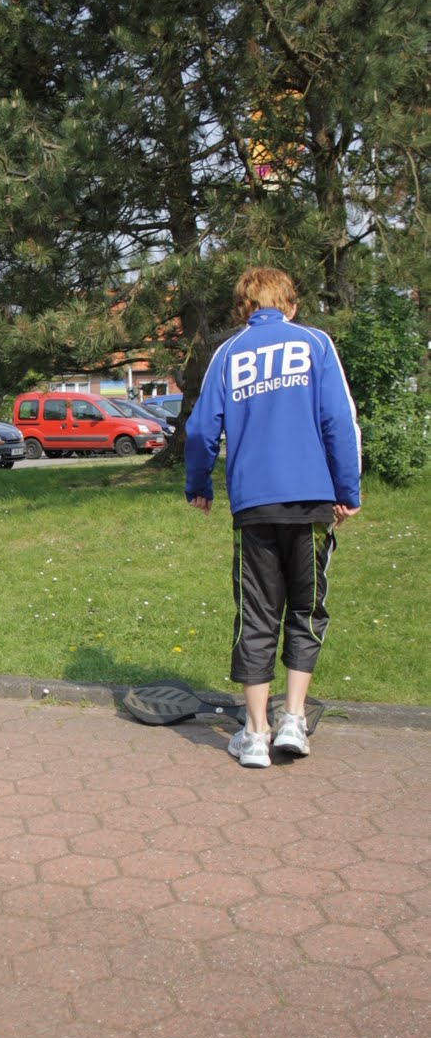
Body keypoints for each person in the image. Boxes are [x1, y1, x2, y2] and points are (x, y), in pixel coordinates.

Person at [185, 266, 361, 768]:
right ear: (291, 304)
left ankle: (256, 732)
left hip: (254, 505)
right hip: (310, 503)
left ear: (243, 308)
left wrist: (198, 485)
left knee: (256, 613)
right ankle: (294, 719)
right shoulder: (316, 344)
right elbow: (339, 420)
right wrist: (346, 490)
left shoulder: (228, 354)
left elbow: (200, 431)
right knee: (306, 608)